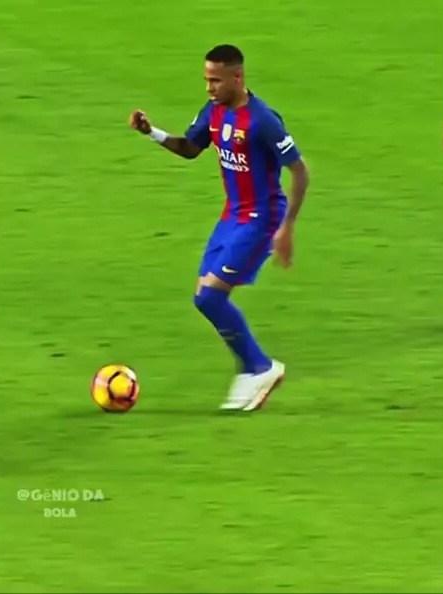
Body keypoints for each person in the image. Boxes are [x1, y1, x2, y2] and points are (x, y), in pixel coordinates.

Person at [129, 44, 310, 411]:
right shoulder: (214, 111)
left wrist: (288, 226)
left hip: (262, 218)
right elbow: (190, 147)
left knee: (211, 297)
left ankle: (260, 367)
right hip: (232, 216)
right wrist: (152, 132)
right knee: (204, 298)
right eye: (206, 80)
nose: (209, 88)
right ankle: (252, 369)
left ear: (237, 77)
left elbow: (300, 171)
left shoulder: (262, 120)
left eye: (215, 80)